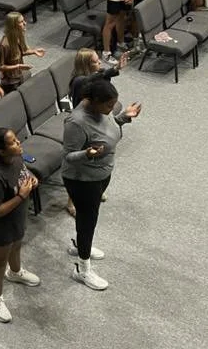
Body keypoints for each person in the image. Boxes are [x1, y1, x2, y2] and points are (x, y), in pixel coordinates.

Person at [62, 75, 141, 291]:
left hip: (100, 175)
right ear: (94, 100)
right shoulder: (76, 122)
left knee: (88, 219)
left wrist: (124, 117)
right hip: (82, 180)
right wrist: (87, 154)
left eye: (113, 104)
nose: (111, 108)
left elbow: (108, 127)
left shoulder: (100, 111)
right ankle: (82, 269)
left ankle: (80, 245)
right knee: (88, 221)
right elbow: (68, 156)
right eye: (109, 105)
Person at [0, 127, 40, 323]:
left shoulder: (16, 158)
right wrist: (22, 195)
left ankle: (15, 272)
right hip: (0, 224)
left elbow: (23, 172)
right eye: (13, 142)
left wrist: (31, 179)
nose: (18, 143)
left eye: (16, 140)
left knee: (17, 245)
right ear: (1, 151)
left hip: (17, 216)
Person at [0, 12, 44, 94]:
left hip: (19, 76)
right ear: (13, 26)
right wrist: (18, 66)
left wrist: (34, 51)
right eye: (21, 22)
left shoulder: (17, 37)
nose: (25, 23)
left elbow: (20, 52)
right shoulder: (5, 45)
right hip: (10, 82)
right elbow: (1, 67)